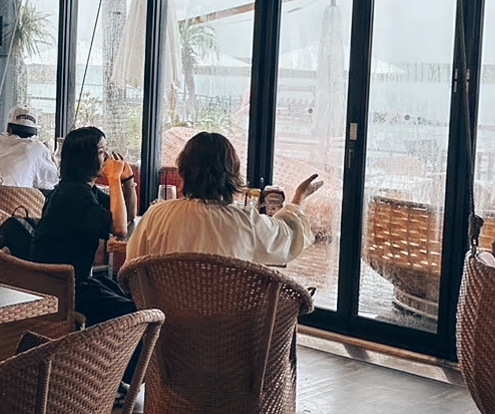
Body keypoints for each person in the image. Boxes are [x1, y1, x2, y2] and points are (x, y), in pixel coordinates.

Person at [126, 132, 319, 266]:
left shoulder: (156, 215)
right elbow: (290, 237)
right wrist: (299, 196)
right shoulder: (246, 222)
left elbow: (132, 269)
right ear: (232, 174)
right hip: (230, 315)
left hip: (163, 314)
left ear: (183, 171)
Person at [31, 126, 138, 326]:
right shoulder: (73, 195)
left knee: (131, 299)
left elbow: (128, 215)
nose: (107, 158)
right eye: (101, 152)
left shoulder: (84, 189)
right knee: (132, 313)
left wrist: (128, 180)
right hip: (62, 288)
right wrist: (113, 179)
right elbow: (120, 228)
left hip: (73, 280)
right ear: (84, 158)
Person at [0, 105, 60, 191]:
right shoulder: (37, 147)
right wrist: (50, 154)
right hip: (14, 196)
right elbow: (52, 180)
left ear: (9, 127)